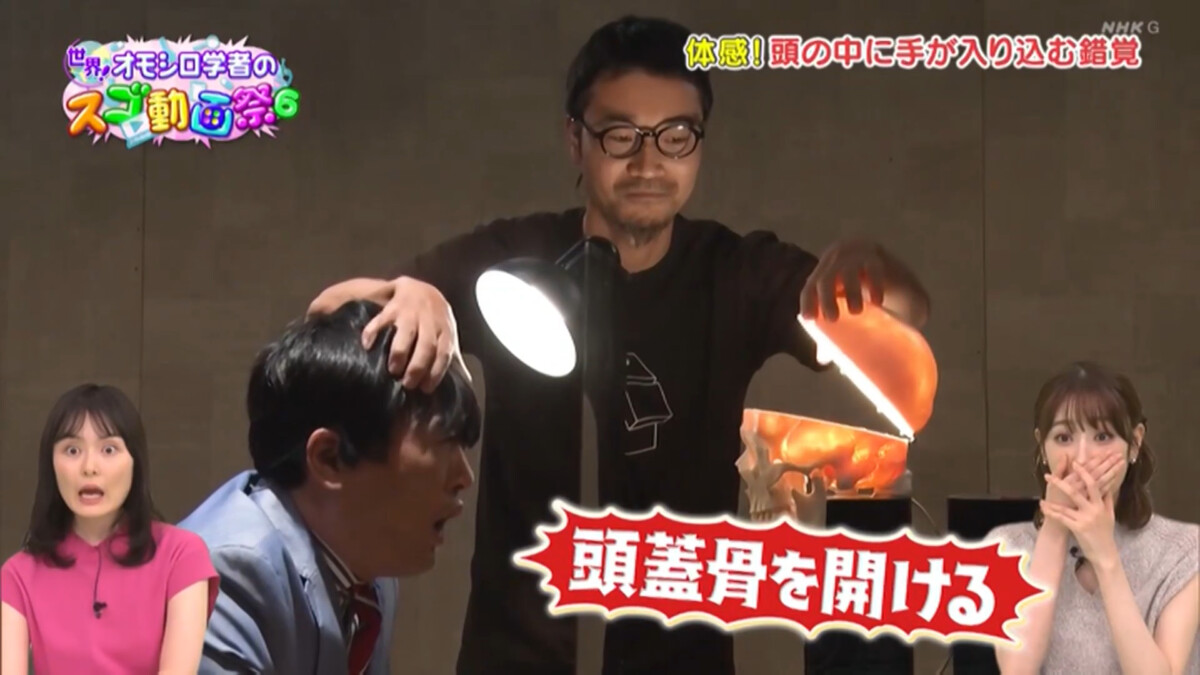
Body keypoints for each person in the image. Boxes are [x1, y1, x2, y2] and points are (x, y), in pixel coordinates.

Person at [307, 16, 931, 675]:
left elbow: (903, 316)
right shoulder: (517, 260)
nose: (648, 162)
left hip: (682, 654)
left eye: (676, 135)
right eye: (620, 135)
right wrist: (413, 293)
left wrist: (878, 270)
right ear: (575, 140)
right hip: (520, 653)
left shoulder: (734, 272)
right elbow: (332, 314)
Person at [178, 299, 479, 674]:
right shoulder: (224, 575)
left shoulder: (371, 572)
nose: (465, 477)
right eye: (443, 444)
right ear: (329, 458)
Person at [990, 362, 1199, 674]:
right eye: (1064, 438)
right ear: (1043, 447)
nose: (1083, 457)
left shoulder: (1185, 551)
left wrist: (1105, 557)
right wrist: (1054, 531)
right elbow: (1017, 670)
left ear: (1135, 442)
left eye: (1102, 436)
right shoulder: (1007, 547)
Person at [0, 384, 219, 675]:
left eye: (108, 449)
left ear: (135, 462)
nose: (90, 467)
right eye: (72, 450)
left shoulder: (181, 555)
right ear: (51, 464)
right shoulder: (18, 575)